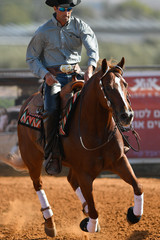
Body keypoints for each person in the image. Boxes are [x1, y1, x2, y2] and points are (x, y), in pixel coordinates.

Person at [26, 0, 99, 175]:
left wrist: (90, 67)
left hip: (76, 74)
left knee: (101, 98)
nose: (67, 12)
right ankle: (52, 155)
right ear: (55, 8)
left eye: (70, 9)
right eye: (63, 9)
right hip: (55, 79)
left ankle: (114, 143)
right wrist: (46, 75)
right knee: (51, 111)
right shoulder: (43, 31)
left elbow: (92, 48)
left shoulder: (81, 26)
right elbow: (31, 58)